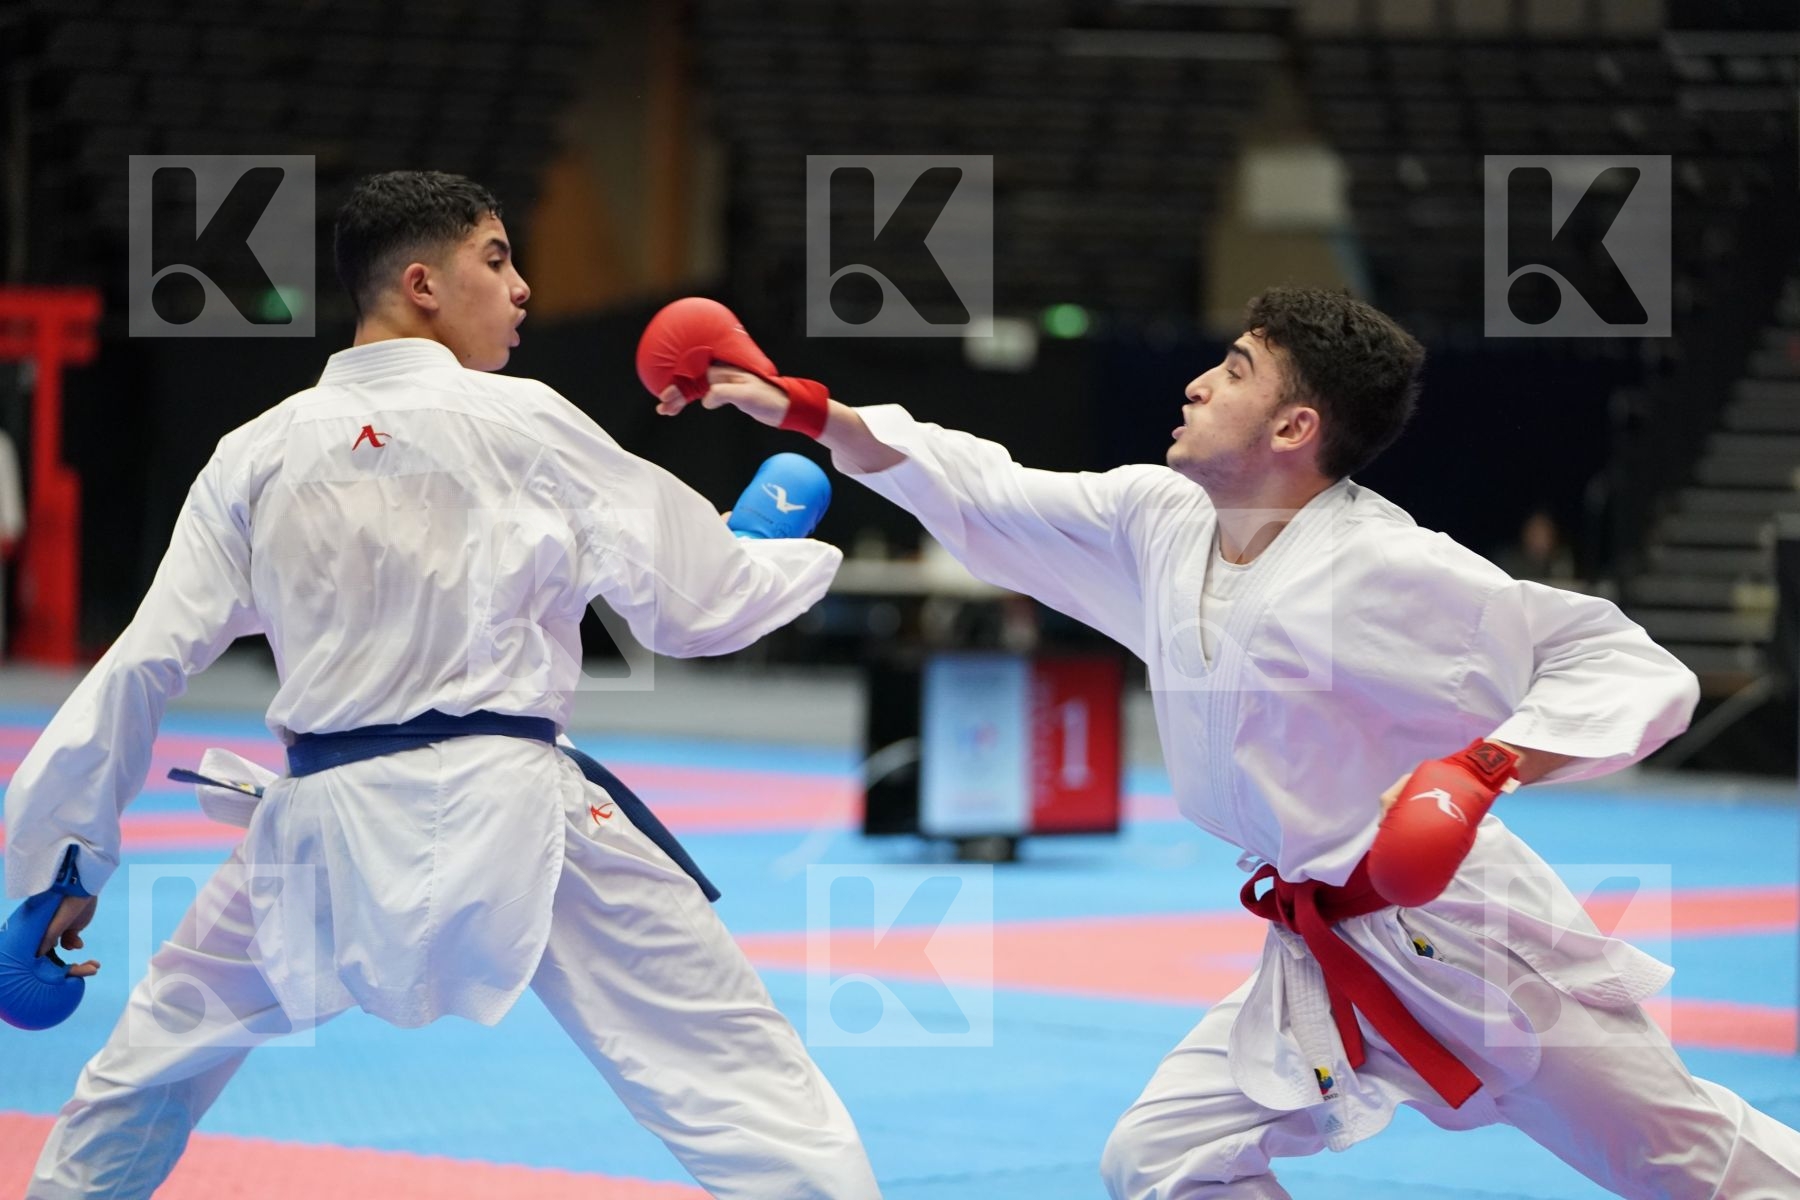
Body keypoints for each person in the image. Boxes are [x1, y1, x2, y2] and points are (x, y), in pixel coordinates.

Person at [645, 287, 1800, 1198]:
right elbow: (988, 489)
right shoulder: (1164, 519)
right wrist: (802, 407)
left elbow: (1631, 665)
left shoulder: (1385, 569)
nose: (1198, 382)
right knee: (1162, 1162)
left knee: (1695, 1170)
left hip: (1472, 942)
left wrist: (1481, 768)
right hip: (1318, 950)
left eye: (1236, 371)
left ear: (1296, 427)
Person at [6, 171, 881, 1200]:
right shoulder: (526, 421)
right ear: (421, 283)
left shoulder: (253, 454)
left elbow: (144, 662)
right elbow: (695, 606)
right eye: (498, 259)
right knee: (744, 1087)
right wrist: (765, 544)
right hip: (523, 817)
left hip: (324, 827)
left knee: (137, 1080)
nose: (521, 290)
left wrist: (60, 872)